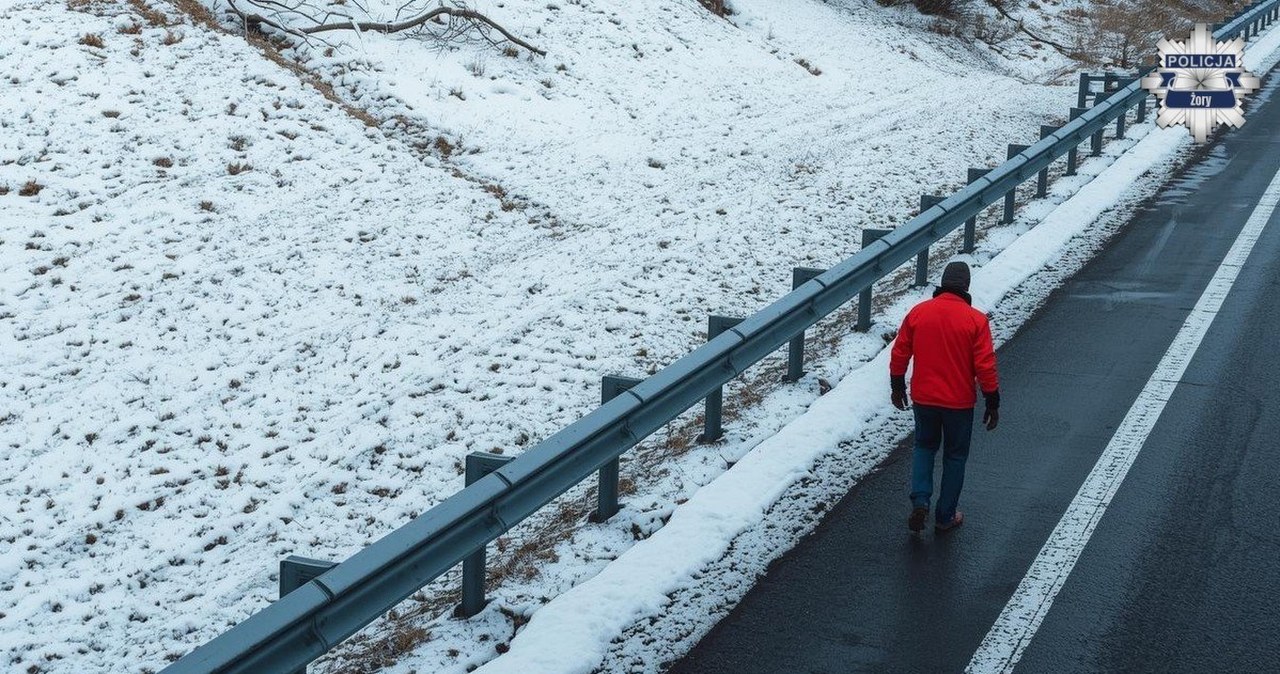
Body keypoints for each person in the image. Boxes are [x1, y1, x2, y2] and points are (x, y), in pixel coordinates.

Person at [889, 261, 1000, 533]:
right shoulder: (975, 320)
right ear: (966, 286)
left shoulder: (919, 313)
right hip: (958, 403)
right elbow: (984, 365)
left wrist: (897, 385)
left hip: (924, 398)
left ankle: (920, 501)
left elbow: (900, 351)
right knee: (954, 456)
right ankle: (945, 516)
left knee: (924, 448)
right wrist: (992, 399)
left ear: (943, 282)